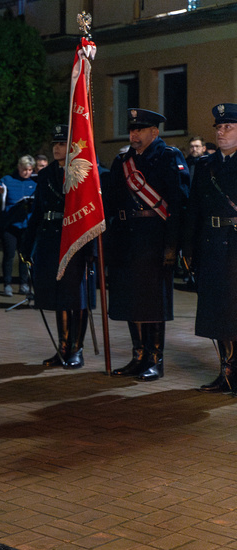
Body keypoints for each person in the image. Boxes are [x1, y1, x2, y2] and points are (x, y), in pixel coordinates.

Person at [105, 108, 189, 380]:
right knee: (131, 299)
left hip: (154, 238)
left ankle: (155, 359)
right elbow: (112, 201)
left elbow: (178, 203)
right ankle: (138, 356)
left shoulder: (168, 157)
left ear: (155, 132)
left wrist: (172, 245)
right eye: (132, 129)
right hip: (127, 238)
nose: (134, 134)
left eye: (140, 129)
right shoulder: (123, 161)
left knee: (153, 302)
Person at [22, 125, 96, 369]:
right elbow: (37, 213)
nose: (56, 148)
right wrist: (27, 244)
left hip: (75, 241)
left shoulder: (84, 173)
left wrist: (92, 251)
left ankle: (77, 349)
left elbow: (91, 215)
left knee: (76, 297)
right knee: (57, 298)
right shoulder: (45, 175)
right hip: (50, 240)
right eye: (55, 144)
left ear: (73, 146)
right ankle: (62, 349)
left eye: (62, 144)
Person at [183, 103, 237, 393]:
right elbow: (194, 209)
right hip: (211, 243)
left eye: (228, 126)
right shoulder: (205, 165)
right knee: (218, 311)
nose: (221, 131)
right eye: (218, 127)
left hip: (236, 244)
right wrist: (188, 248)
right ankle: (226, 372)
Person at [0, 155, 37, 297]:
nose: (27, 172)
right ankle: (7, 284)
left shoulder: (35, 182)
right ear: (19, 167)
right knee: (9, 255)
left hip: (26, 225)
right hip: (10, 225)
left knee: (24, 256)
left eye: (30, 170)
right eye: (24, 169)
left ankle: (23, 284)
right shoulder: (8, 180)